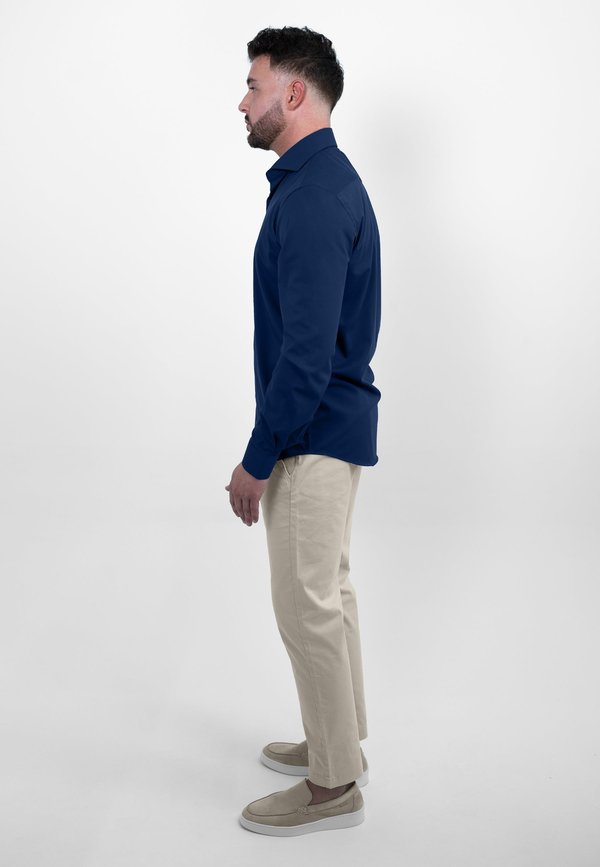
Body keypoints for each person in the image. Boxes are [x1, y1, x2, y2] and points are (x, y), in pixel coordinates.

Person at [224, 25, 382, 836]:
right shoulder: (316, 183)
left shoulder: (316, 194)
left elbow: (306, 352)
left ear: (294, 93)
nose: (242, 102)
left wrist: (258, 457)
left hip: (311, 433)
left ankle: (333, 786)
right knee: (331, 592)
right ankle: (338, 742)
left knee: (306, 603)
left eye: (254, 86)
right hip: (331, 428)